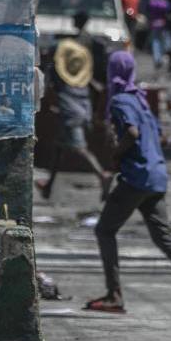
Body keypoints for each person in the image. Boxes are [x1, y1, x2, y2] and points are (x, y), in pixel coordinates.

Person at [83, 50, 171, 319]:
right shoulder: (141, 100)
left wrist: (116, 152)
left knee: (104, 230)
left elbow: (131, 133)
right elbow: (161, 136)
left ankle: (114, 295)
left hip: (137, 177)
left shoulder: (120, 100)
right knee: (164, 236)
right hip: (156, 175)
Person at [36, 11, 111, 200]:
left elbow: (50, 89)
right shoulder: (84, 82)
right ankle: (48, 186)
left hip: (71, 114)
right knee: (59, 148)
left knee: (79, 147)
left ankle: (102, 175)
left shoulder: (61, 82)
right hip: (82, 110)